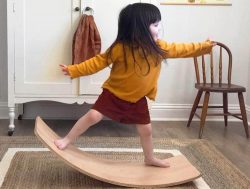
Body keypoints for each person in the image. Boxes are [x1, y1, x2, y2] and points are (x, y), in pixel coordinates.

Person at [55, 3, 214, 168]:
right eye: (155, 25)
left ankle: (149, 158)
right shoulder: (120, 48)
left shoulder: (159, 48)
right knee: (93, 116)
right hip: (113, 94)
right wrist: (74, 70)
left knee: (146, 130)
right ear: (139, 28)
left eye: (158, 24)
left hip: (138, 99)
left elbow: (182, 49)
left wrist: (204, 47)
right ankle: (67, 139)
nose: (159, 29)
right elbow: (98, 62)